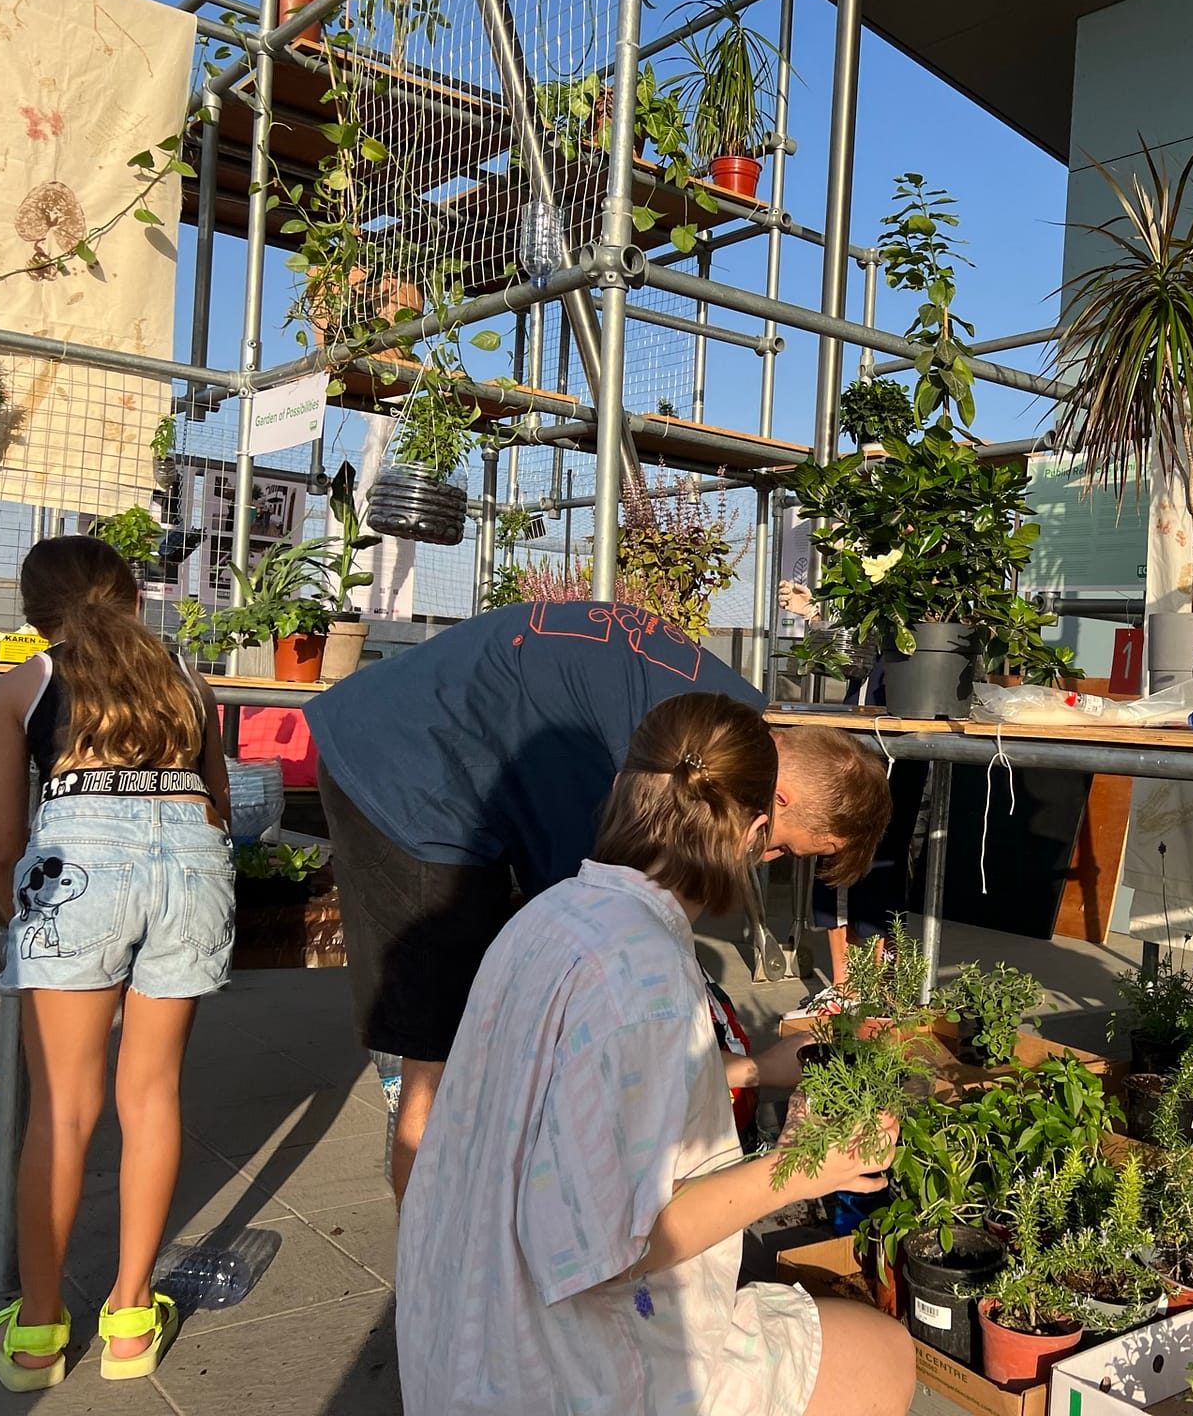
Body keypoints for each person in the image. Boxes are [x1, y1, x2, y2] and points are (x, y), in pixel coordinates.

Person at [397, 691, 917, 1416]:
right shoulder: (648, 976)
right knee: (881, 1355)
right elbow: (609, 1254)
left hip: (460, 1344)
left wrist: (752, 1069)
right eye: (776, 850)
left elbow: (573, 1096)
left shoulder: (548, 914)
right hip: (553, 1372)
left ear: (622, 787)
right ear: (754, 830)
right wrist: (803, 1169)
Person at [305, 599, 892, 1202]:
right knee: (435, 1062)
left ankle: (483, 1204)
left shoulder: (723, 720)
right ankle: (430, 1252)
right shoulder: (653, 757)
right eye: (782, 847)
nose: (764, 859)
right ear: (780, 799)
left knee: (502, 1026)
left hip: (457, 751)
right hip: (404, 771)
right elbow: (593, 923)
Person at [0, 537, 233, 1391]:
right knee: (151, 1094)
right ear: (131, 595)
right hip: (192, 871)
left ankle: (37, 1336)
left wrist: (25, 923)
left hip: (78, 873)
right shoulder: (188, 679)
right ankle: (129, 1322)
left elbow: (2, 845)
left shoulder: (22, 686)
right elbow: (219, 810)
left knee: (64, 1107)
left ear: (32, 611)